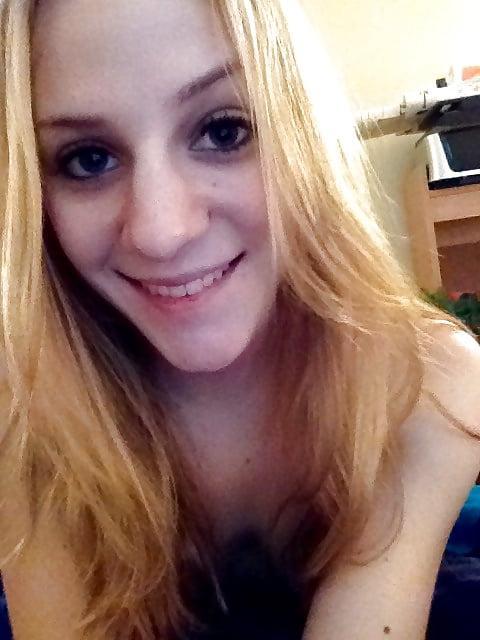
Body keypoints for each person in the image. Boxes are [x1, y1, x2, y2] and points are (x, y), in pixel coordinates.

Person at [0, 0, 478, 638]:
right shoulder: (25, 414)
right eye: (88, 159)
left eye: (223, 131)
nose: (161, 231)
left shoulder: (431, 385)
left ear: (303, 134)